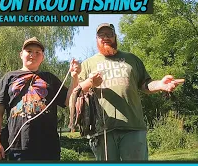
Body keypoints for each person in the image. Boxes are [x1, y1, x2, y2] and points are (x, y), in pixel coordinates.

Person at [77, 23, 184, 161]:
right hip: (102, 129)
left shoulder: (132, 59)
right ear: (96, 39)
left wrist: (160, 85)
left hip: (133, 126)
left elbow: (145, 84)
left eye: (109, 34)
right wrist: (90, 82)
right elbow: (77, 92)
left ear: (115, 37)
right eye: (101, 35)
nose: (105, 38)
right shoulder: (88, 63)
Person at [0, 37, 80, 161]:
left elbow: (68, 101)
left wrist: (74, 78)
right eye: (29, 51)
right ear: (21, 55)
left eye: (38, 52)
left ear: (42, 57)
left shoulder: (50, 78)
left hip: (49, 147)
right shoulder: (8, 78)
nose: (33, 55)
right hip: (17, 147)